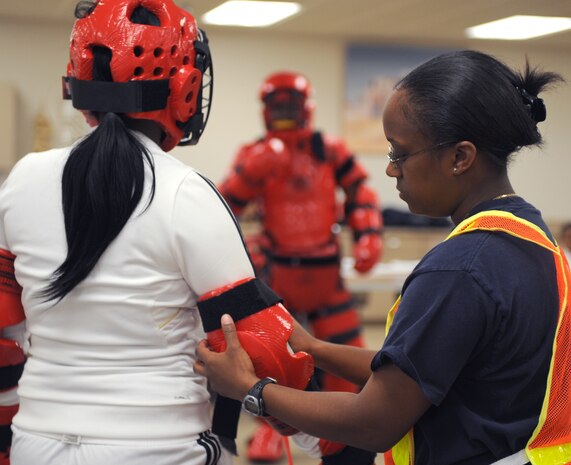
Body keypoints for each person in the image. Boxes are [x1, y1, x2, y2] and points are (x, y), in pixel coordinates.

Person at [196, 50, 571, 465]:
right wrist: (312, 348)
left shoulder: (460, 269)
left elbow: (374, 421)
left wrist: (251, 390)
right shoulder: (534, 239)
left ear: (460, 158)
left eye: (399, 153)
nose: (391, 170)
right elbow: (416, 366)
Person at [0, 1, 315, 464]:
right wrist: (331, 443)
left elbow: (6, 333)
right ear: (183, 86)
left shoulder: (22, 179)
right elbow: (267, 350)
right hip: (160, 448)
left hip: (37, 444)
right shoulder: (185, 192)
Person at [217, 71, 383, 463]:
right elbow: (224, 207)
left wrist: (368, 233)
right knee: (270, 358)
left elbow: (361, 190)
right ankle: (272, 430)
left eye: (291, 104)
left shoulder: (329, 149)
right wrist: (249, 175)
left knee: (346, 357)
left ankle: (346, 432)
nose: (285, 112)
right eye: (279, 105)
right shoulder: (255, 153)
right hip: (280, 278)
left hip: (326, 277)